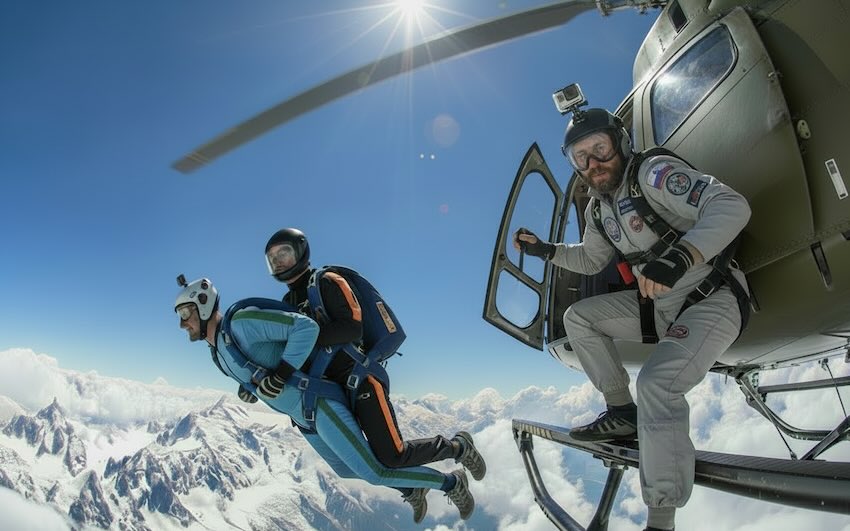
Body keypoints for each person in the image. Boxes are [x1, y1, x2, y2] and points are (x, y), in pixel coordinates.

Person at [514, 107, 750, 531]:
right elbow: (590, 260)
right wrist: (545, 250)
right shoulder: (600, 211)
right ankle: (621, 410)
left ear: (619, 143)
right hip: (661, 309)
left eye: (600, 149)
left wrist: (682, 256)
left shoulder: (654, 174)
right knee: (578, 318)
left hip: (710, 298)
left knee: (657, 384)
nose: (593, 164)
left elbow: (731, 206)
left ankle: (661, 520)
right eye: (580, 158)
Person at [174, 275, 477, 523]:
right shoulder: (218, 354)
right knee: (346, 469)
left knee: (375, 470)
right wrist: (250, 389)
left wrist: (281, 374)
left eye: (185, 313)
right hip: (302, 418)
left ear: (203, 305)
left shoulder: (241, 322)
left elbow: (306, 329)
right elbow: (257, 370)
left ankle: (452, 482)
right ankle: (412, 487)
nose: (182, 323)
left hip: (317, 401)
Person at [262, 228, 486, 522]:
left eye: (284, 253)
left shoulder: (328, 281)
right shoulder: (287, 302)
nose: (278, 261)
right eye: (272, 258)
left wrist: (304, 338)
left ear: (301, 251)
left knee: (392, 454)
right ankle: (411, 488)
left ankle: (458, 447)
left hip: (360, 379)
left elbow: (351, 328)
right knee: (356, 462)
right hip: (331, 391)